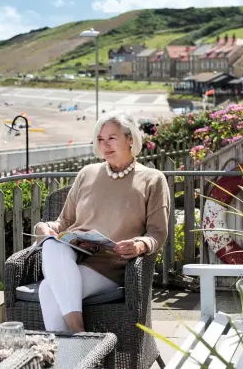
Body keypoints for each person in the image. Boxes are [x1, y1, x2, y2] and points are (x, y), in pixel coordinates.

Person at [34, 109, 170, 332]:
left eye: (112, 138)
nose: (105, 145)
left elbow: (158, 233)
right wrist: (46, 227)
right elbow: (64, 222)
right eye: (100, 139)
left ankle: (72, 355)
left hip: (110, 265)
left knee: (48, 290)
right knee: (51, 243)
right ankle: (81, 340)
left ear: (130, 139)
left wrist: (139, 245)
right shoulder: (87, 173)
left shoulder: (152, 179)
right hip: (71, 258)